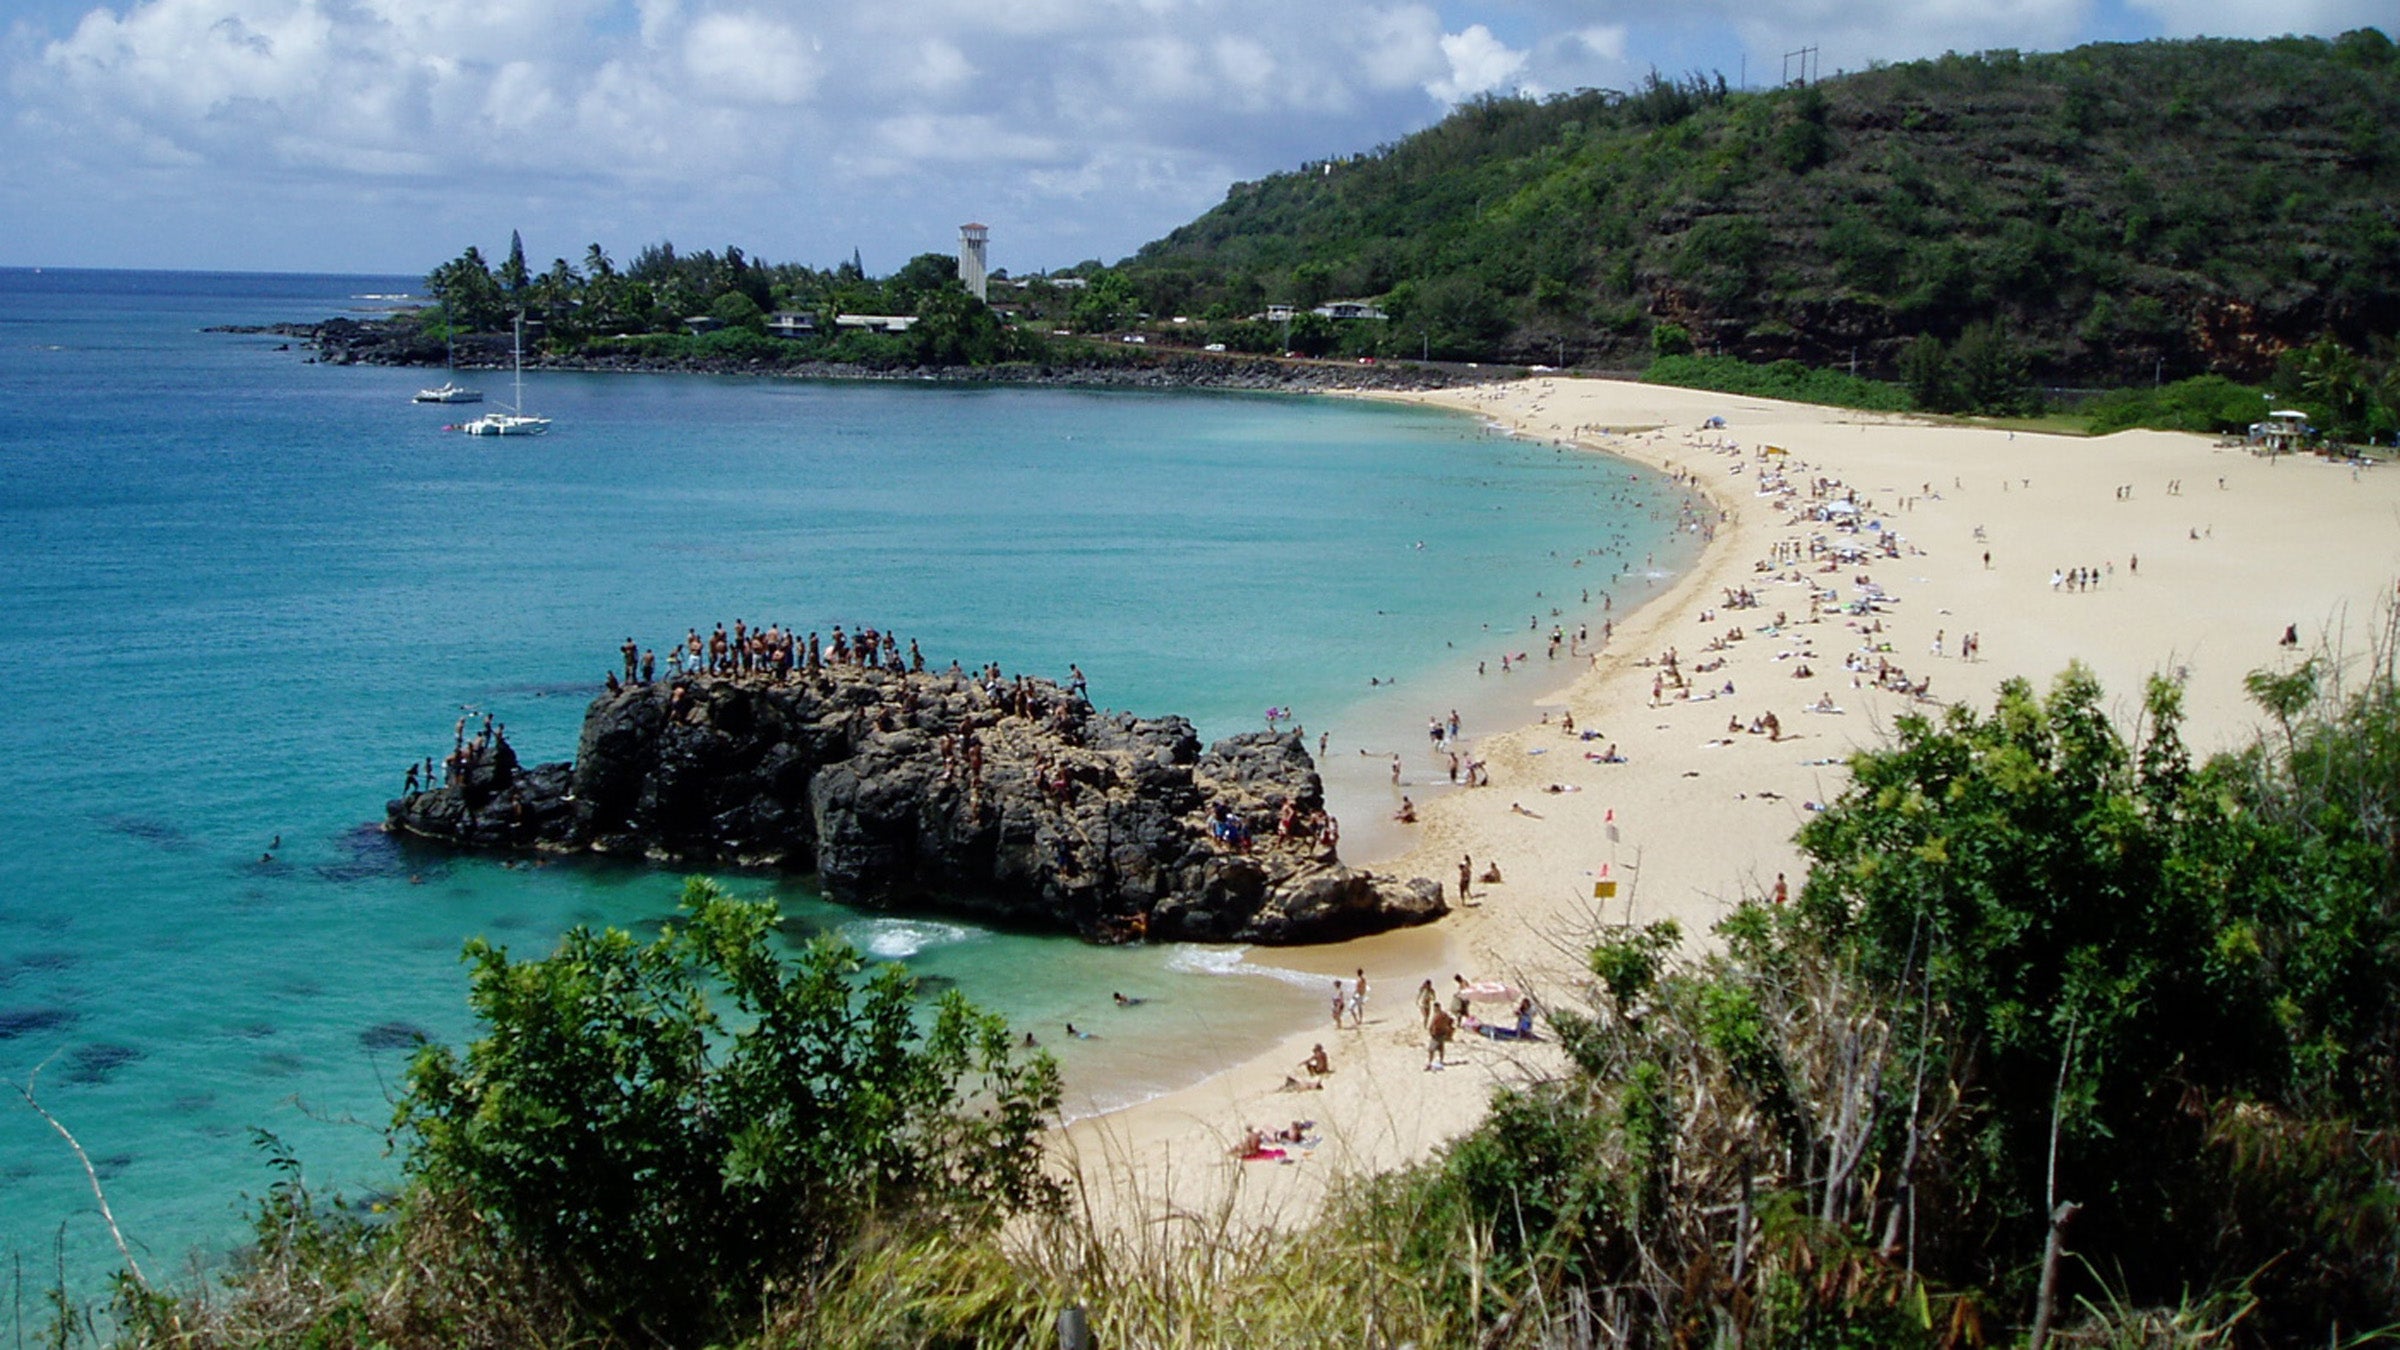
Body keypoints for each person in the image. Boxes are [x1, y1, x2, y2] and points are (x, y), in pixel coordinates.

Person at [1426, 1004, 1456, 1069]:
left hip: (1437, 1034)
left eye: (1435, 1008)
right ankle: (1440, 1061)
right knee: (1441, 1047)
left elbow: (1433, 1024)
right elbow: (1451, 1021)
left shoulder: (1439, 1015)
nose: (1434, 1009)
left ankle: (1430, 1062)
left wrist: (1431, 1031)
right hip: (1442, 1033)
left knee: (1431, 1049)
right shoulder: (1443, 1014)